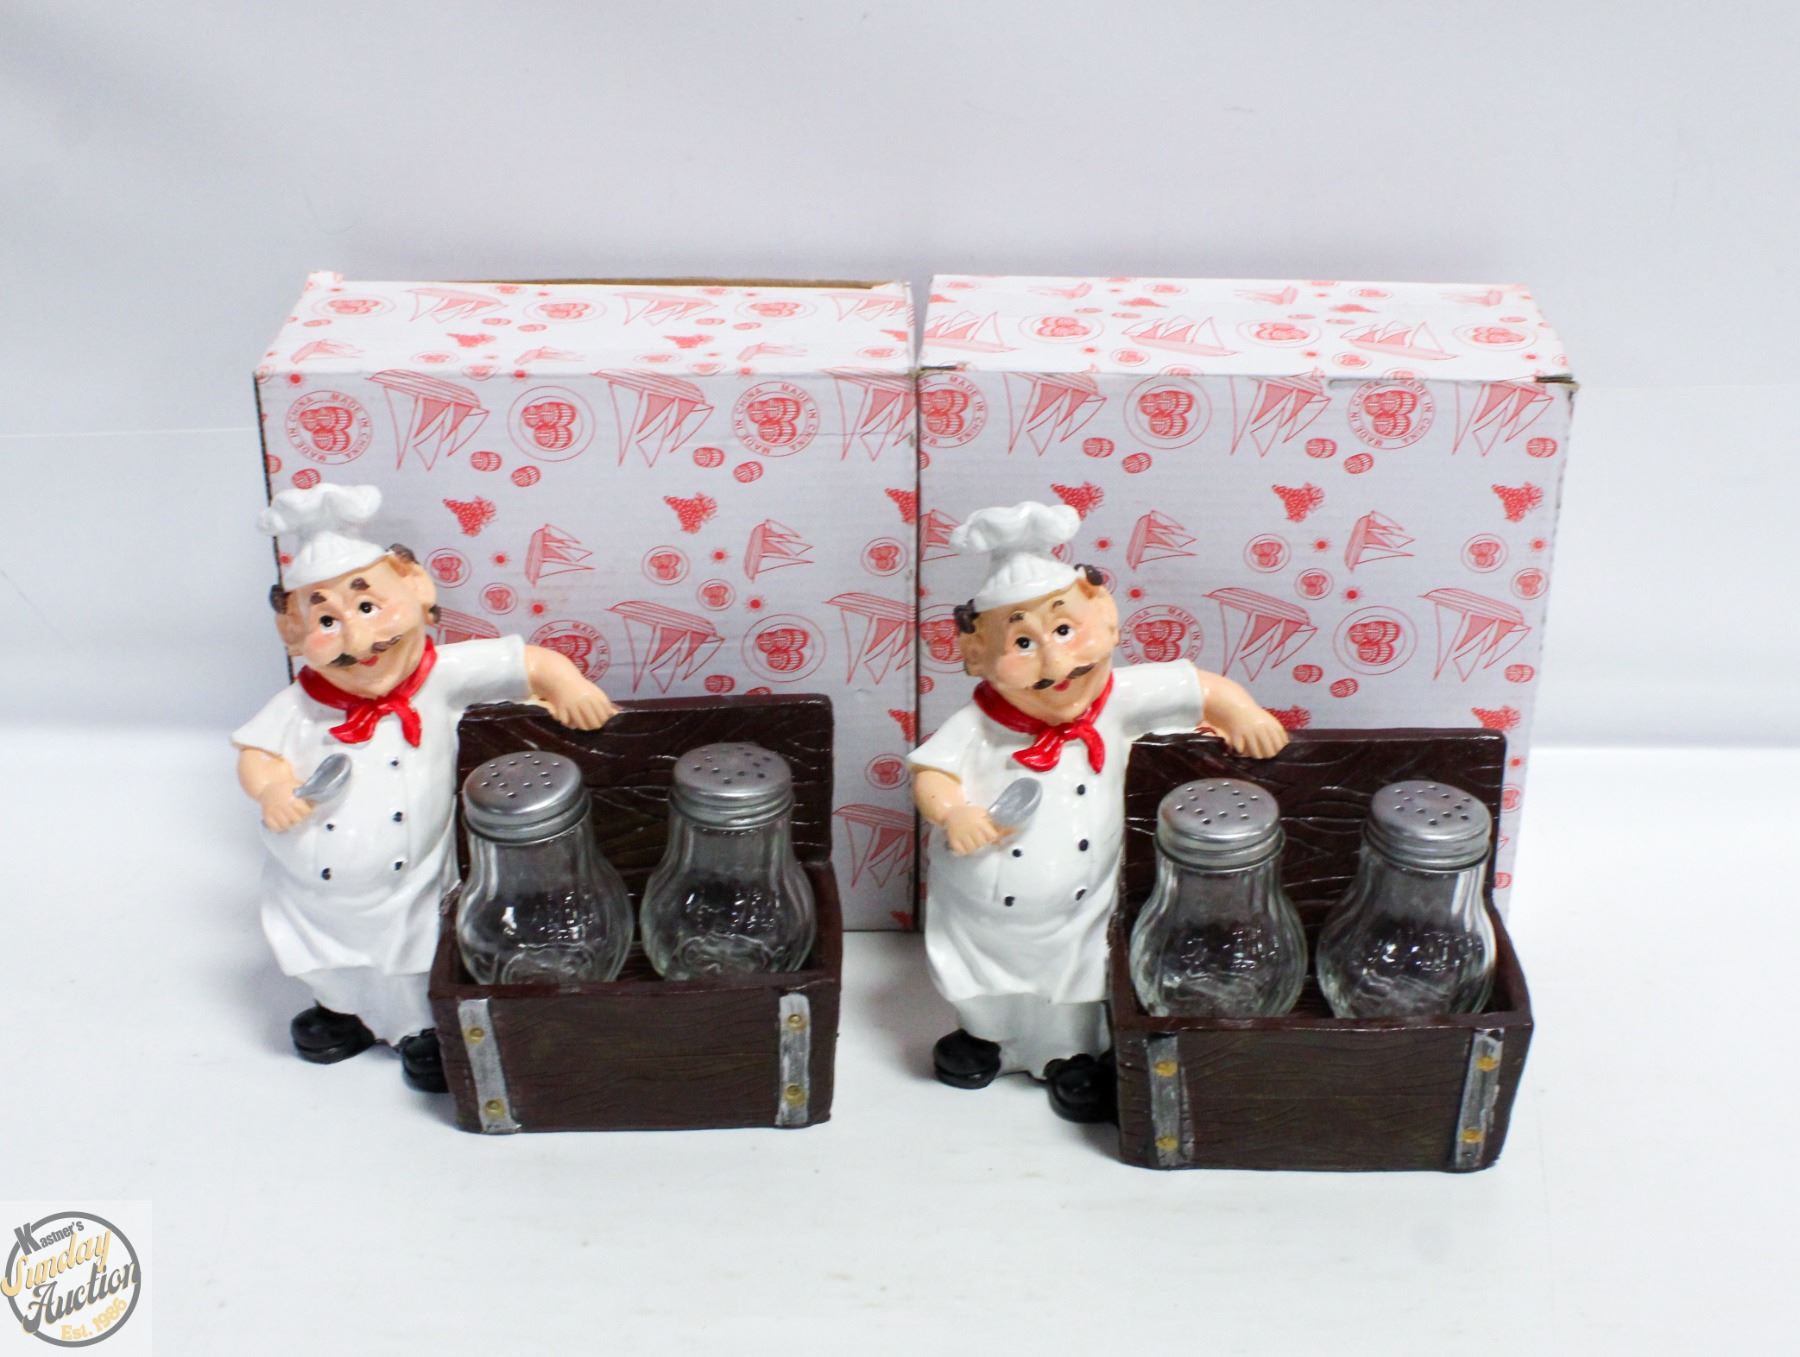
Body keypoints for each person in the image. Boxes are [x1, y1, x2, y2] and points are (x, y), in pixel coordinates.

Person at [908, 501, 1289, 1122]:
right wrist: (952, 814)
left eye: (1065, 631)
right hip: (978, 904)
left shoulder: (1120, 698)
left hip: (1079, 909)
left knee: (1075, 986)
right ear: (974, 655)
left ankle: (1070, 1056)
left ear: (1108, 620)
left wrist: (1241, 713)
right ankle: (987, 1038)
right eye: (1022, 643)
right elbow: (932, 774)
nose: (1056, 664)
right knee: (980, 981)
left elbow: (1198, 688)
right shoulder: (974, 724)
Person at [232, 483, 617, 1091]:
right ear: (292, 632)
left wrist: (567, 685)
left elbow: (529, 662)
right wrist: (273, 789)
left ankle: (419, 1027)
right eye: (326, 620)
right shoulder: (298, 705)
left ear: (416, 588)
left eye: (368, 605)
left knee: (415, 955)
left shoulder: (441, 677)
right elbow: (257, 753)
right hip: (309, 884)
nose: (358, 640)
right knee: (325, 956)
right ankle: (342, 1011)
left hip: (409, 881)